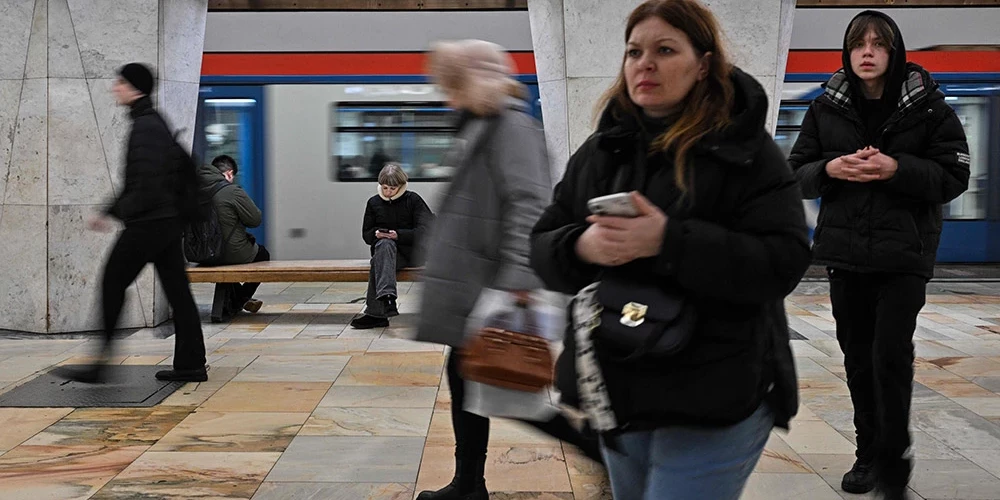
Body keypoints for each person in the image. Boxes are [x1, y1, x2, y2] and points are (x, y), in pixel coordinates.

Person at [529, 1, 812, 498]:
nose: (645, 64)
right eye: (634, 51)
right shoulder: (603, 151)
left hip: (714, 392)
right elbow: (543, 246)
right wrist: (584, 247)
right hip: (622, 387)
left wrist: (668, 242)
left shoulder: (745, 152)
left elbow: (782, 261)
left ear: (703, 63)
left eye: (665, 50)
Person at [789, 11, 970, 499]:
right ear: (847, 53)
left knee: (889, 356)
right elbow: (797, 172)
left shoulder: (929, 107)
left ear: (895, 51)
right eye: (858, 43)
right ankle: (867, 454)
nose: (867, 51)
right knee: (857, 359)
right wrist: (832, 167)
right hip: (845, 255)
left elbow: (954, 176)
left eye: (878, 43)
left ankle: (892, 456)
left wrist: (896, 168)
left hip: (903, 255)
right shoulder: (827, 106)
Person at [414, 39, 602, 500]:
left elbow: (530, 204)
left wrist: (518, 281)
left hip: (494, 288)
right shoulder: (480, 125)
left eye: (451, 86)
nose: (447, 97)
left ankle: (602, 448)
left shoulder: (511, 128)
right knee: (470, 382)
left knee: (509, 387)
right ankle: (468, 483)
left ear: (470, 82)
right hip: (474, 286)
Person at [64, 62, 208, 383]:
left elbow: (145, 183)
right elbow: (145, 181)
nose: (115, 87)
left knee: (113, 283)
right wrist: (111, 211)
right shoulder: (152, 123)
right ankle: (190, 364)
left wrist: (113, 213)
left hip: (150, 223)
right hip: (165, 222)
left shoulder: (145, 127)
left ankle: (99, 365)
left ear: (133, 87)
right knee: (178, 293)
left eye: (120, 82)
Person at [350, 163, 434, 329]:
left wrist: (399, 235)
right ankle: (387, 299)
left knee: (379, 260)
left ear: (401, 186)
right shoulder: (373, 203)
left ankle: (377, 313)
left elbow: (426, 230)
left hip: (410, 253)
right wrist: (376, 234)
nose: (388, 192)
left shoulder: (413, 200)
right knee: (383, 247)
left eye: (393, 188)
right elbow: (366, 235)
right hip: (385, 252)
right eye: (386, 187)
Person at [197, 154, 268, 314]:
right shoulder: (231, 191)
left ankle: (236, 301)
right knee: (263, 255)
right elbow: (255, 220)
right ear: (229, 173)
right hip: (230, 252)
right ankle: (240, 300)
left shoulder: (194, 191)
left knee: (224, 262)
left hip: (200, 253)